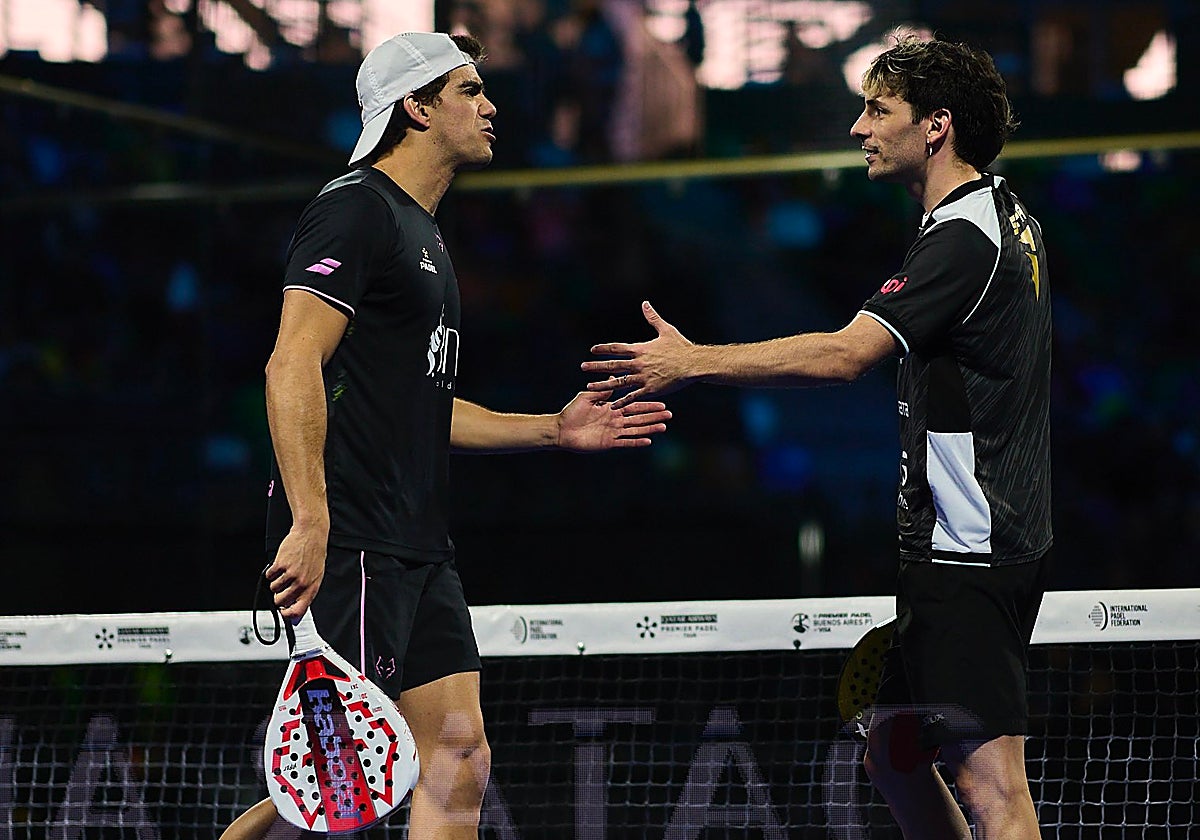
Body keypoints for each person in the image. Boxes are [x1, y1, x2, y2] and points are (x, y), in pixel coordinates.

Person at [582, 34, 1049, 840]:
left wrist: (692, 362)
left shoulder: (964, 237)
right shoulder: (1006, 214)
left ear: (935, 127)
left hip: (969, 550)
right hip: (978, 537)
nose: (859, 128)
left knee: (992, 786)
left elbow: (844, 355)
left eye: (878, 111)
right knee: (895, 748)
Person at [220, 31, 671, 840]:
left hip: (419, 545)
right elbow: (290, 365)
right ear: (416, 107)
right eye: (468, 90)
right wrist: (312, 520)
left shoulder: (423, 233)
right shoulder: (354, 208)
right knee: (341, 777)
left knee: (458, 754)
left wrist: (552, 431)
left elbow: (420, 405)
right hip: (352, 534)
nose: (490, 105)